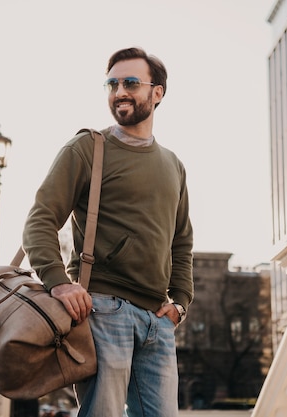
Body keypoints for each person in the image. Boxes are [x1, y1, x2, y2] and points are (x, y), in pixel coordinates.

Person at [22, 47, 194, 417]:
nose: (119, 92)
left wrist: (180, 301)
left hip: (158, 321)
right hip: (102, 310)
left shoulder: (173, 165)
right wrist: (58, 282)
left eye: (131, 82)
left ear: (157, 92)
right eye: (112, 83)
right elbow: (40, 218)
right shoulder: (87, 148)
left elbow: (182, 241)